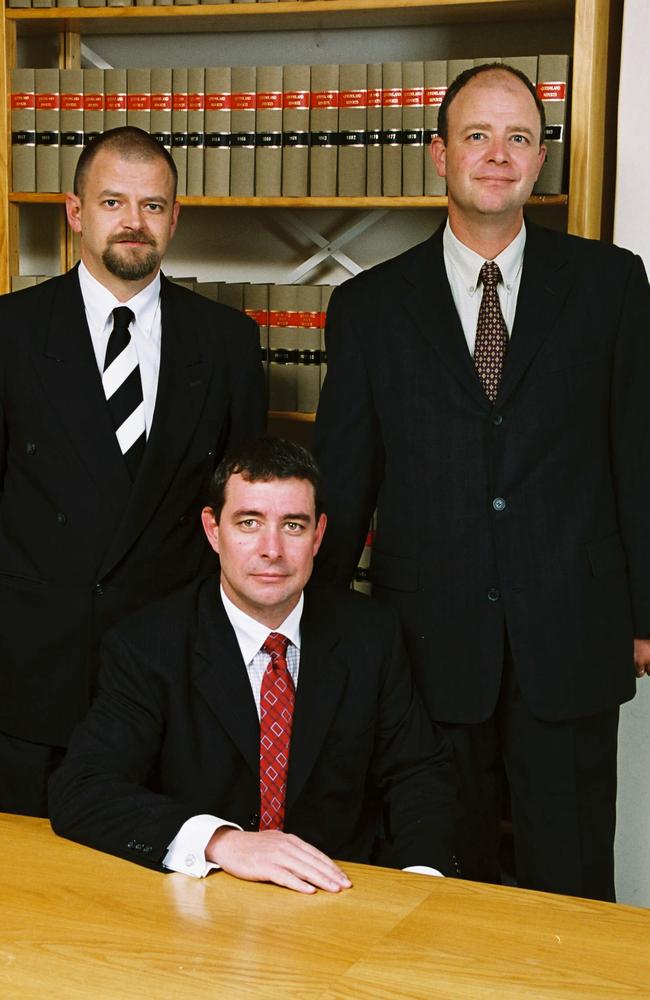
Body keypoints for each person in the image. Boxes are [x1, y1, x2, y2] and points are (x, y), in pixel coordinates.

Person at [313, 63, 650, 901]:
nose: (498, 155)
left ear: (540, 161)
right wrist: (317, 633)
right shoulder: (368, 308)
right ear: (439, 155)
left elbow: (639, 453)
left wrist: (648, 613)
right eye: (477, 135)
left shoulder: (613, 285)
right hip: (425, 641)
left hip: (574, 631)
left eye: (519, 138)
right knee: (439, 883)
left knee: (570, 886)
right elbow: (346, 483)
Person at [49, 437, 457, 894]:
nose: (272, 550)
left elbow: (419, 774)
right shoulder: (148, 645)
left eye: (293, 526)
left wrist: (422, 885)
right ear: (212, 530)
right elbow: (82, 789)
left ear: (319, 535)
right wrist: (221, 841)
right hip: (200, 898)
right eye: (249, 523)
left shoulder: (370, 635)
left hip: (340, 896)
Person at [0, 126, 266, 817]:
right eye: (113, 202)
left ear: (175, 219)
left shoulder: (227, 341)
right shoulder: (11, 332)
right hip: (32, 673)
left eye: (152, 206)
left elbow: (241, 516)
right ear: (75, 211)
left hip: (170, 670)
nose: (133, 223)